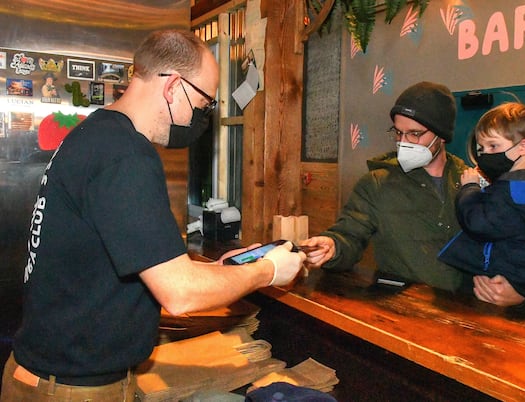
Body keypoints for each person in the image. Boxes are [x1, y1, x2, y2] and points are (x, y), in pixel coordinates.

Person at [0, 30, 305, 402]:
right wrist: (267, 271)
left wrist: (223, 270)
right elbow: (178, 293)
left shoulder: (98, 135)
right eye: (205, 102)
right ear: (174, 87)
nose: (203, 116)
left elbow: (142, 265)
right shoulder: (126, 154)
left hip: (52, 376)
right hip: (69, 390)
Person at [302, 81, 525, 305]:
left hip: (468, 314)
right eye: (398, 133)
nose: (404, 142)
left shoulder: (474, 183)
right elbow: (349, 234)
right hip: (402, 313)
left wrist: (520, 290)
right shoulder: (377, 185)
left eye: (415, 134)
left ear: (442, 135)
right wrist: (332, 247)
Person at [438, 102, 525, 313]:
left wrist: (470, 189)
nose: (485, 154)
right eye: (481, 148)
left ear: (523, 147)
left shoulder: (510, 190)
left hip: (505, 277)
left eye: (493, 146)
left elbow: (476, 222)